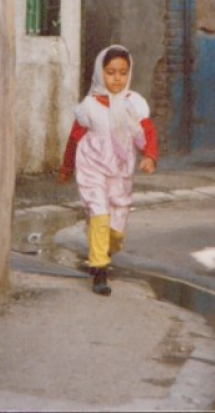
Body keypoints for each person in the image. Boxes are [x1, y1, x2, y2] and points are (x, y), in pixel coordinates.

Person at [59, 45, 158, 296]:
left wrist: (150, 156)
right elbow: (75, 137)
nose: (117, 78)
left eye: (123, 73)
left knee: (116, 229)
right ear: (100, 72)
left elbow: (147, 132)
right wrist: (67, 166)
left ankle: (103, 249)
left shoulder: (134, 103)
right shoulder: (89, 106)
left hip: (120, 170)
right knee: (99, 212)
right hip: (92, 166)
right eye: (111, 72)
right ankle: (100, 271)